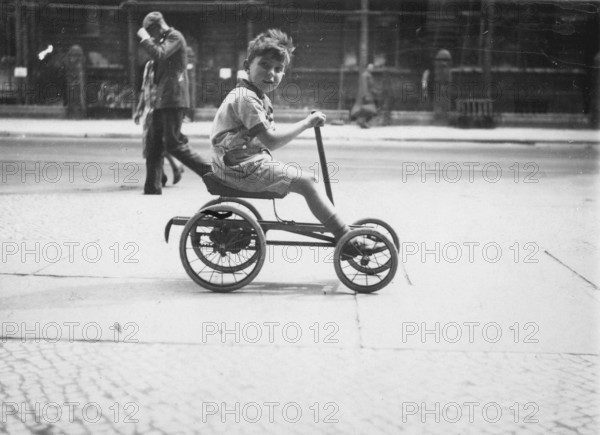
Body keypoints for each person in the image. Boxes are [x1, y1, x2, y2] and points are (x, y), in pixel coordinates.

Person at [210, 29, 381, 253]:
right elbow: (271, 141)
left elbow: (264, 137)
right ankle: (346, 238)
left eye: (278, 69)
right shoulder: (246, 99)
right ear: (246, 65)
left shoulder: (255, 95)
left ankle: (343, 230)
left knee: (305, 178)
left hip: (241, 162)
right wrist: (306, 123)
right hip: (238, 167)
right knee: (307, 182)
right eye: (264, 65)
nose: (271, 74)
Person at [137, 11, 211, 195]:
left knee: (173, 143)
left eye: (150, 32)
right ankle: (152, 188)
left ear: (157, 27)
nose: (150, 36)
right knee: (154, 143)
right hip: (161, 100)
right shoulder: (164, 40)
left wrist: (145, 39)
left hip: (174, 98)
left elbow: (159, 55)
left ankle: (210, 172)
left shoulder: (175, 37)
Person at [133, 60, 184, 186]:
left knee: (160, 142)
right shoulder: (149, 65)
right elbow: (144, 88)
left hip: (161, 110)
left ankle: (173, 168)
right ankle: (164, 173)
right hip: (149, 110)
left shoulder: (166, 65)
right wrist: (139, 109)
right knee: (150, 144)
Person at [350, 63, 378, 129]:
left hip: (369, 95)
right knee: (370, 110)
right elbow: (364, 86)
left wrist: (375, 91)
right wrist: (365, 95)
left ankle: (362, 122)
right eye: (370, 67)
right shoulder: (365, 75)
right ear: (367, 68)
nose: (371, 69)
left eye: (372, 68)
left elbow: (371, 86)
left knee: (368, 110)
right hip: (367, 95)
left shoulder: (368, 75)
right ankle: (362, 122)